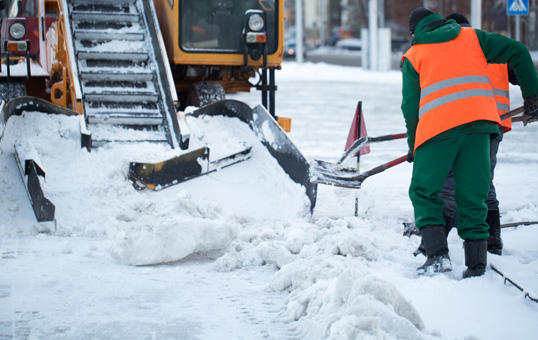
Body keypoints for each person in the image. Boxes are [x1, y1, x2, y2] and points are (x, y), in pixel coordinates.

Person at [401, 8, 538, 278]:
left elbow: (410, 107)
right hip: (481, 127)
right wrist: (533, 97)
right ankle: (476, 267)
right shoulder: (472, 38)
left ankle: (437, 256)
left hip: (438, 129)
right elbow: (519, 51)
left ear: (415, 33)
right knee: (474, 196)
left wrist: (414, 144)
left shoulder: (414, 55)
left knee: (424, 192)